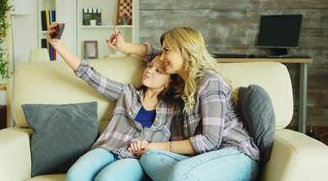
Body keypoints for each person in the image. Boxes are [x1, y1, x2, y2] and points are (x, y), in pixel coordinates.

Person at [107, 26, 260, 181]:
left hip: (235, 155)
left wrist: (154, 145)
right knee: (149, 157)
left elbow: (211, 140)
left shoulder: (210, 81)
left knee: (179, 171)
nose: (161, 56)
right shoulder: (181, 83)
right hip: (202, 159)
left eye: (166, 50)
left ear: (185, 51)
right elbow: (154, 55)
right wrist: (124, 46)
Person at [46, 23, 182, 181]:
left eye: (158, 71)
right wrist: (57, 44)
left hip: (135, 159)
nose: (149, 71)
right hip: (108, 148)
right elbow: (89, 74)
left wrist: (147, 148)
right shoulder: (127, 92)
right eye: (150, 66)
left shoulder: (174, 108)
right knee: (74, 176)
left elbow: (175, 146)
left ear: (169, 82)